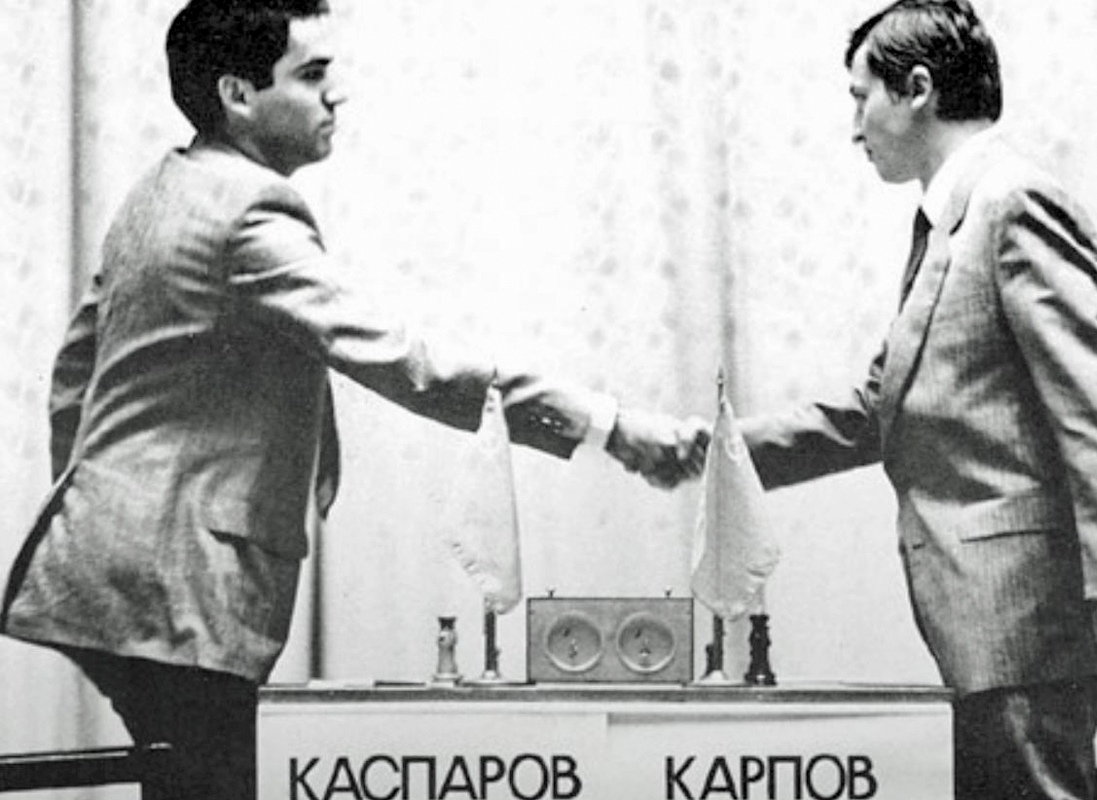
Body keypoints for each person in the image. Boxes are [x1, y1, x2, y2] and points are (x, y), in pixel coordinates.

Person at [0, 1, 705, 798]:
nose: (337, 94)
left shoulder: (163, 188)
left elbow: (74, 376)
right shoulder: (246, 209)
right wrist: (609, 425)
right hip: (172, 584)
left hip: (122, 573)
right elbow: (412, 365)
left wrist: (101, 514)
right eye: (310, 75)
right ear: (238, 94)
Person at [738, 2, 1097, 798]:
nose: (854, 127)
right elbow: (876, 409)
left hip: (1024, 623)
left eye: (860, 97)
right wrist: (716, 458)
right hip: (991, 625)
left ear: (917, 89)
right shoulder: (951, 223)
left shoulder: (1013, 202)